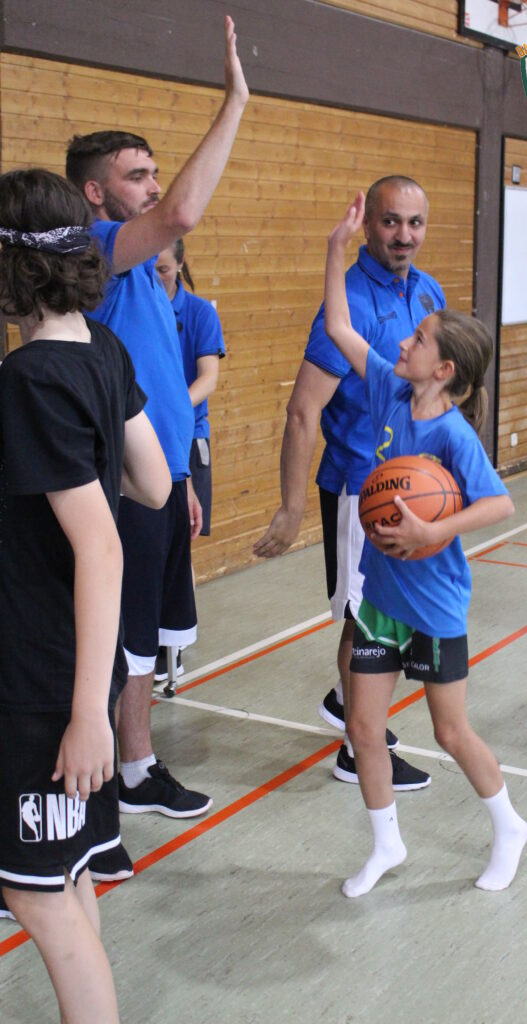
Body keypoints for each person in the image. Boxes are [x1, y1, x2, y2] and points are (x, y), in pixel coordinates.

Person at [65, 14, 248, 880]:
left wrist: (183, 475)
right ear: (95, 193)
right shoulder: (96, 252)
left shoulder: (148, 274)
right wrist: (235, 100)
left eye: (150, 171)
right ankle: (93, 793)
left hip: (164, 480)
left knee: (145, 639)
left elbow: (167, 385)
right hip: (118, 491)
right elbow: (181, 210)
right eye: (134, 176)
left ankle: (133, 770)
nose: (151, 187)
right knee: (116, 643)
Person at [322, 192, 527, 898]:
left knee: (449, 732)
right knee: (362, 725)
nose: (405, 342)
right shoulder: (387, 389)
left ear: (442, 370)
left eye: (418, 339)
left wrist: (434, 530)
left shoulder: (452, 435)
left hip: (435, 603)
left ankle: (508, 825)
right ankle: (386, 844)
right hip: (382, 596)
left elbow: (499, 502)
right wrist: (336, 248)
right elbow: (339, 325)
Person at [0, 168, 171, 1018]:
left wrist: (87, 717)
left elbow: (100, 548)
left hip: (43, 685)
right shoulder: (103, 348)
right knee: (64, 876)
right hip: (77, 672)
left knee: (35, 897)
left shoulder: (28, 378)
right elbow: (156, 484)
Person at [254, 175, 444, 791]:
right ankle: (358, 749)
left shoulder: (429, 292)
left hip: (412, 484)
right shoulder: (350, 303)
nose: (404, 235)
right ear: (368, 225)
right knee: (368, 621)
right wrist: (290, 509)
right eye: (391, 221)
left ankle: (348, 705)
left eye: (415, 223)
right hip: (361, 490)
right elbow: (302, 411)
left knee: (386, 613)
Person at [154, 239, 226, 682]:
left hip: (186, 437)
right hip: (143, 439)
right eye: (150, 269)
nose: (156, 277)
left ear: (180, 264)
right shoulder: (137, 308)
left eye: (163, 269)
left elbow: (208, 377)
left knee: (181, 542)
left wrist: (172, 408)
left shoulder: (198, 313)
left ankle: (173, 644)